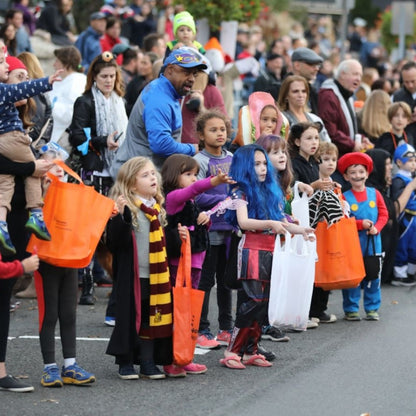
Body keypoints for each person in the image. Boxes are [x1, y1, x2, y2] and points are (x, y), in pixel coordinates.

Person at [220, 145, 314, 369]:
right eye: (256, 164)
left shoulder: (270, 190)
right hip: (251, 249)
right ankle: (232, 350)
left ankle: (251, 349)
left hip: (272, 251)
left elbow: (280, 218)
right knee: (253, 301)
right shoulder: (239, 191)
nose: (263, 168)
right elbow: (243, 223)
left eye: (264, 163)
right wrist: (271, 224)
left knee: (264, 303)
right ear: (244, 166)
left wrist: (301, 231)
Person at [161, 153, 234, 374]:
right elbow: (192, 191)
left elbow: (198, 227)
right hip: (179, 264)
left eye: (195, 174)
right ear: (174, 176)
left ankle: (184, 356)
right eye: (188, 174)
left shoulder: (190, 203)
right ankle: (171, 359)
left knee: (189, 312)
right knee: (178, 312)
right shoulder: (174, 197)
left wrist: (206, 220)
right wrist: (214, 182)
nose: (193, 179)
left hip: (196, 263)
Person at [106, 157, 172, 380]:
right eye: (145, 175)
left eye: (153, 173)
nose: (153, 178)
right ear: (132, 184)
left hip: (155, 275)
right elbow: (114, 243)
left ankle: (147, 361)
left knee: (150, 318)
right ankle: (125, 362)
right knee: (128, 318)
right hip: (132, 275)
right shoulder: (128, 207)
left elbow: (166, 243)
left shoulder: (157, 208)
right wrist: (121, 216)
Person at [69, 51, 127, 305]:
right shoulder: (84, 102)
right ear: (94, 76)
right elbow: (77, 140)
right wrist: (103, 141)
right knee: (90, 230)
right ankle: (87, 286)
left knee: (114, 230)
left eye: (112, 76)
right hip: (92, 172)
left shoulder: (119, 101)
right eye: (104, 76)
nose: (108, 81)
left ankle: (118, 282)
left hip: (115, 174)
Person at [36, 150, 96, 388]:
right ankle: (49, 367)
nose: (60, 168)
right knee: (49, 314)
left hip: (70, 259)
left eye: (62, 164)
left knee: (69, 314)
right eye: (53, 164)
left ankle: (70, 365)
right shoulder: (37, 193)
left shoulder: (73, 195)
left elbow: (88, 216)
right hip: (46, 260)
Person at [0, 48, 62, 256]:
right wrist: (33, 167)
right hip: (18, 209)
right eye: (19, 78)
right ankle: (36, 213)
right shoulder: (4, 95)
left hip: (14, 209)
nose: (23, 85)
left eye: (27, 78)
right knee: (34, 172)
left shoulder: (23, 116)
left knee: (6, 184)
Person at [111, 47, 207, 175]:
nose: (192, 79)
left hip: (142, 174)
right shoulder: (159, 99)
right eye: (186, 72)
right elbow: (161, 145)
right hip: (134, 178)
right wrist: (193, 149)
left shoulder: (166, 92)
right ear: (170, 70)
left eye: (194, 74)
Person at [191, 111, 234, 349]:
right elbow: (195, 193)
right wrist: (224, 197)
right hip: (209, 231)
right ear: (200, 135)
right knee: (205, 281)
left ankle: (227, 328)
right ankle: (202, 328)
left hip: (231, 230)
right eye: (213, 130)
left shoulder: (232, 157)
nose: (219, 134)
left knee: (226, 280)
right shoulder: (200, 162)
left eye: (223, 130)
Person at [287, 122, 337, 323]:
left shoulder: (313, 163)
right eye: (308, 138)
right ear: (297, 141)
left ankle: (313, 310)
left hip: (314, 220)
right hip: (300, 221)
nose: (314, 142)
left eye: (316, 138)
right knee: (300, 265)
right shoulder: (294, 163)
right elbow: (293, 190)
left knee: (312, 264)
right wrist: (315, 186)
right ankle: (301, 313)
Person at [338, 152, 388, 321]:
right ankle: (351, 308)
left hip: (374, 243)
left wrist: (377, 228)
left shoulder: (375, 194)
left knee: (373, 276)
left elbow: (383, 214)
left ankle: (372, 308)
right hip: (353, 244)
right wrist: (359, 224)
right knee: (353, 277)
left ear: (367, 174)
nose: (357, 176)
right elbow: (342, 220)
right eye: (352, 172)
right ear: (346, 176)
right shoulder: (344, 197)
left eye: (361, 171)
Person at [318, 59, 370, 156]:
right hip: (334, 157)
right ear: (342, 74)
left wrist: (361, 139)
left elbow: (348, 129)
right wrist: (352, 144)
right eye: (355, 74)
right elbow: (330, 131)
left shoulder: (347, 95)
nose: (358, 79)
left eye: (360, 76)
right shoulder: (329, 95)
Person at [49, 46, 86, 143]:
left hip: (63, 137)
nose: (54, 65)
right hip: (52, 132)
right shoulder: (60, 80)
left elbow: (70, 114)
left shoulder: (77, 83)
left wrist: (49, 107)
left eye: (57, 61)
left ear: (66, 64)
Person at [277, 75, 330, 142]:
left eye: (304, 91)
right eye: (295, 91)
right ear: (286, 95)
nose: (300, 95)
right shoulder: (281, 119)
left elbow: (327, 144)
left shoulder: (315, 119)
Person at [391, 144, 416, 287]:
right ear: (399, 162)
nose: (414, 164)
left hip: (414, 218)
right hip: (406, 218)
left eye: (415, 160)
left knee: (413, 246)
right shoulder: (399, 179)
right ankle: (399, 274)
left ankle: (411, 272)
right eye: (410, 161)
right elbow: (399, 200)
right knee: (403, 245)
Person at [290, 47, 323, 115]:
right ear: (297, 65)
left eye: (318, 65)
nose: (316, 69)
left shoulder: (313, 91)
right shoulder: (278, 89)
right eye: (311, 64)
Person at [392, 61, 416, 142]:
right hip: (406, 140)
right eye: (406, 82)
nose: (410, 85)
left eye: (413, 81)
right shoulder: (398, 96)